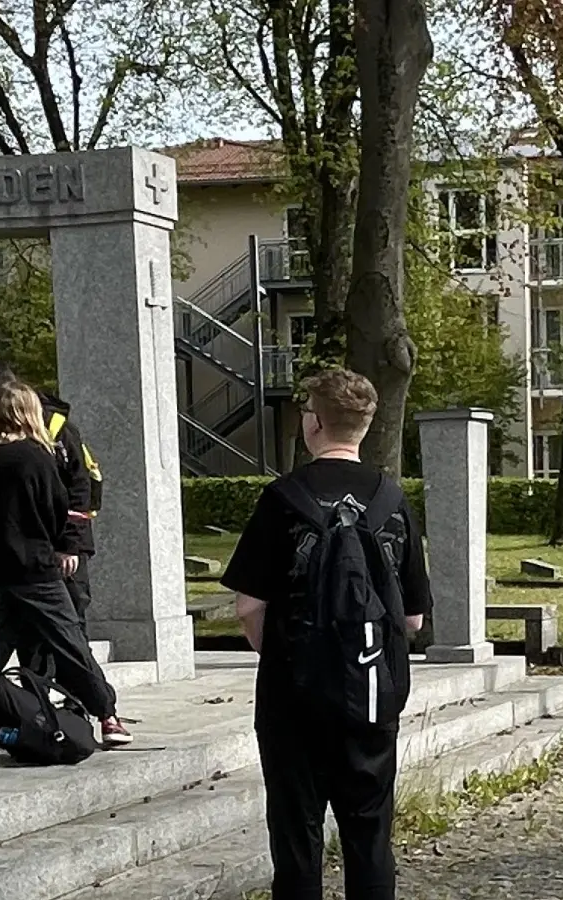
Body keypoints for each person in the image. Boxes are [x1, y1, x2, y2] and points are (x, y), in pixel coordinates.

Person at [220, 369, 432, 900]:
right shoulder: (392, 501)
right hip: (371, 691)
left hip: (294, 695)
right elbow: (412, 620)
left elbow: (248, 605)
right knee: (370, 835)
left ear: (313, 423)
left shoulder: (283, 498)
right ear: (364, 425)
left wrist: (290, 650)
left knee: (296, 836)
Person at [0, 382, 130, 758]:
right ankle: (107, 715)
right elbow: (57, 508)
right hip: (35, 569)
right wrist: (60, 544)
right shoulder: (38, 456)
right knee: (69, 642)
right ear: (28, 411)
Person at [0, 354, 108, 702]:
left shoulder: (54, 429)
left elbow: (79, 489)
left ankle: (81, 703)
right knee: (27, 634)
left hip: (60, 546)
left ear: (3, 394)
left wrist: (69, 545)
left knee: (70, 625)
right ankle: (39, 699)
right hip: (26, 551)